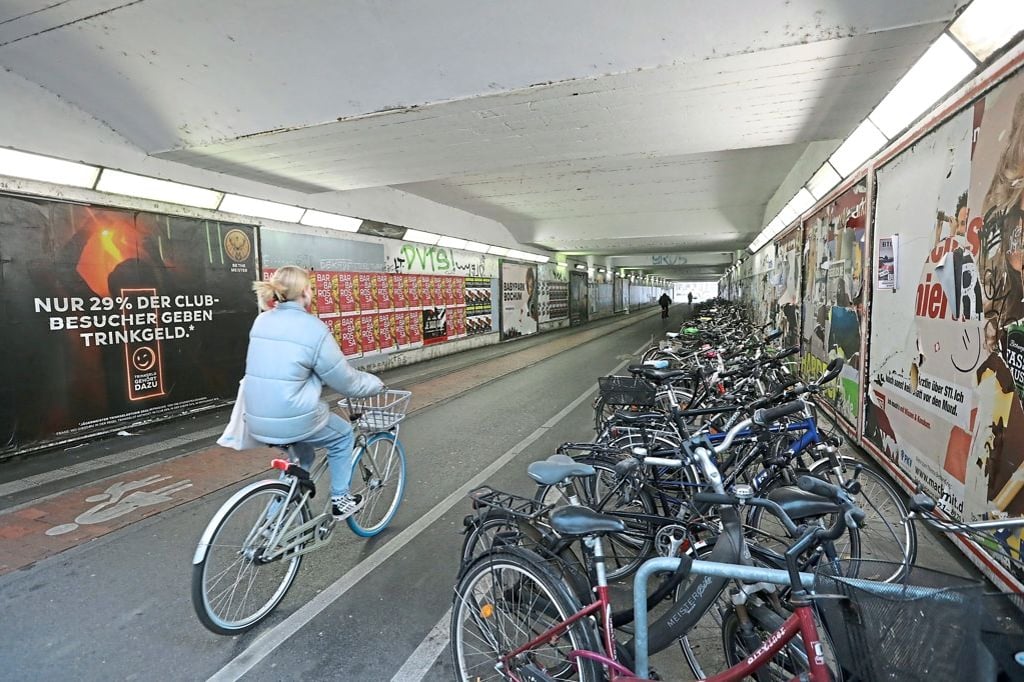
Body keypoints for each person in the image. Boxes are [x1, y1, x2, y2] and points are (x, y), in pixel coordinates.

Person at [243, 265, 384, 520]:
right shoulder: (312, 328)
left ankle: (275, 518)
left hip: (254, 416)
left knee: (303, 455)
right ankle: (341, 499)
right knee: (341, 437)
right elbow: (346, 381)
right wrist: (375, 384)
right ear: (305, 292)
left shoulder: (261, 320)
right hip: (292, 416)